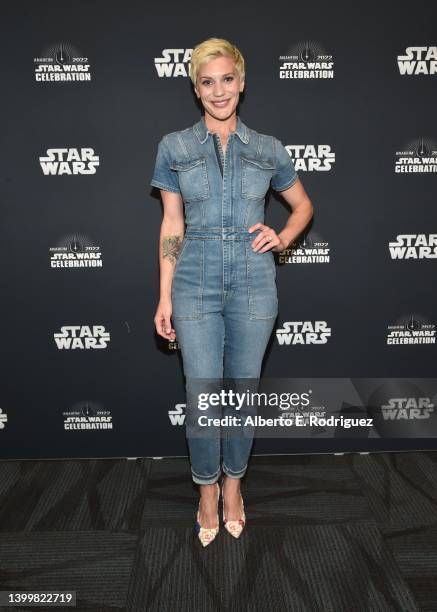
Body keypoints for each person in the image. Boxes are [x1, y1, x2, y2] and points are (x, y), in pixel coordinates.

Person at [150, 37, 313, 546]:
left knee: (243, 392)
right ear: (196, 90)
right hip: (194, 278)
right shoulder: (174, 147)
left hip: (253, 282)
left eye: (227, 79)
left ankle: (234, 487)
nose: (218, 91)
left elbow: (303, 206)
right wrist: (164, 296)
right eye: (207, 81)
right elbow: (172, 223)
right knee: (202, 395)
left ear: (242, 83)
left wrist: (282, 237)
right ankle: (205, 490)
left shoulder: (269, 149)